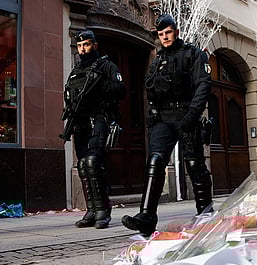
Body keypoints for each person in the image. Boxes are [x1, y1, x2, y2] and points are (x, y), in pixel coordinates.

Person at [121, 14, 213, 236]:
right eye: (161, 34)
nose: (164, 37)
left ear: (176, 31)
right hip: (163, 118)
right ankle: (146, 217)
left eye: (168, 32)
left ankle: (206, 214)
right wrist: (152, 114)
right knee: (155, 160)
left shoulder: (193, 54)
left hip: (186, 113)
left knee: (193, 163)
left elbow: (203, 85)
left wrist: (193, 113)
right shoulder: (157, 61)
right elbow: (150, 91)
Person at [63, 30, 126, 229]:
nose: (83, 49)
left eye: (87, 45)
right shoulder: (75, 71)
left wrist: (100, 88)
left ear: (95, 45)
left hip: (100, 117)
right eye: (80, 46)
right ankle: (91, 210)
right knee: (82, 165)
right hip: (80, 121)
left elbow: (121, 89)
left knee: (93, 162)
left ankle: (103, 210)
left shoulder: (106, 66)